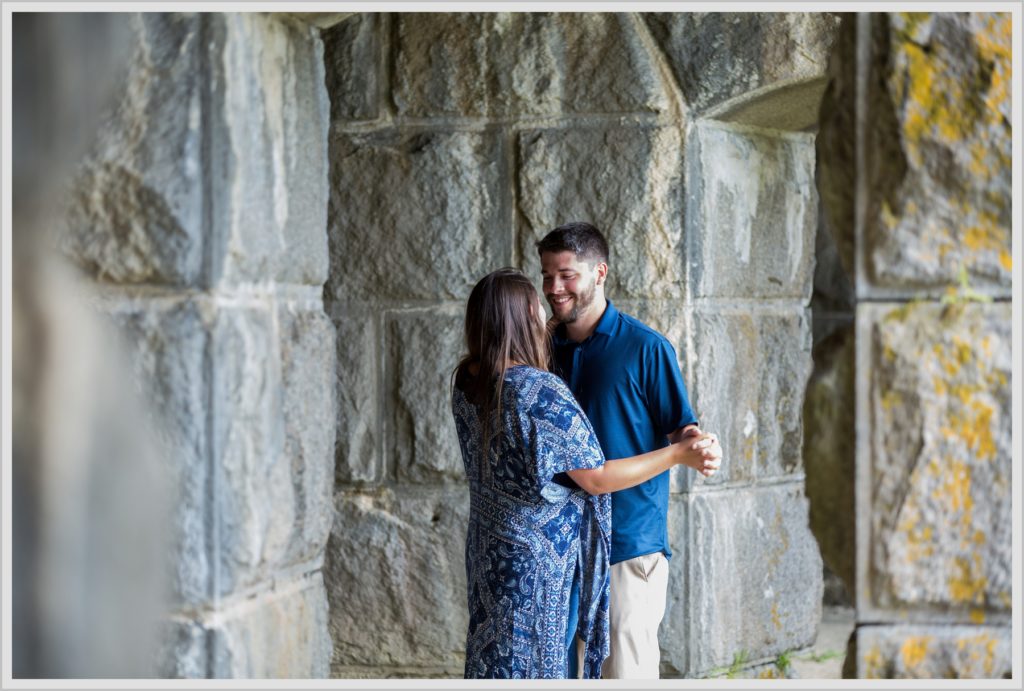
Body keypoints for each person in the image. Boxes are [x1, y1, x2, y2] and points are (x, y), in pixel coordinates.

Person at [451, 268, 721, 679]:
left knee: (495, 661)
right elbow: (594, 477)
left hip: (490, 553)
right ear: (524, 312)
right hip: (537, 569)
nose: (547, 309)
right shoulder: (537, 391)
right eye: (539, 298)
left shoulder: (468, 380)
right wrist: (677, 455)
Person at [537, 222, 721, 679]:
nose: (554, 288)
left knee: (627, 675)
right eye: (546, 275)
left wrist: (700, 448)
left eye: (566, 275)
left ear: (600, 272)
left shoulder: (647, 348)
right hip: (557, 547)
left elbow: (682, 431)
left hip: (626, 544)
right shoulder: (540, 348)